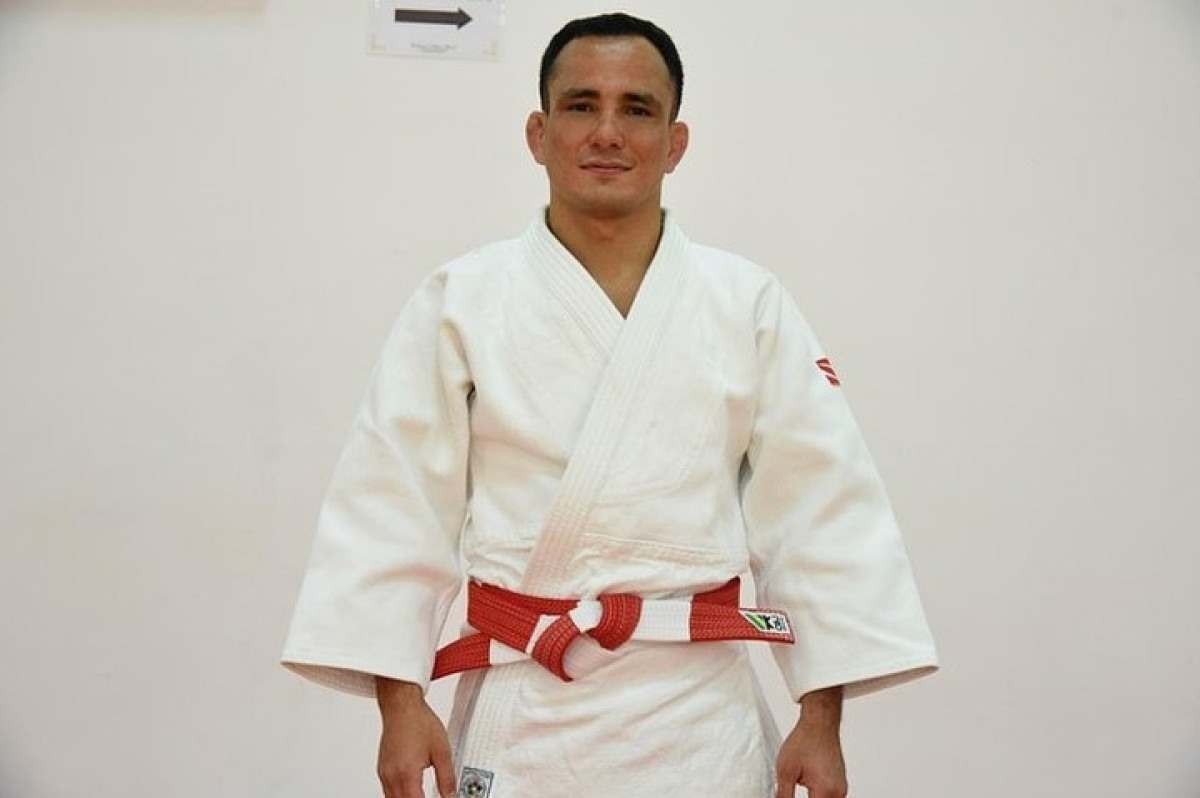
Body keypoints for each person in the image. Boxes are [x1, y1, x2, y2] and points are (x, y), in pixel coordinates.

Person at [280, 12, 939, 798]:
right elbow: (392, 504)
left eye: (637, 109)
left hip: (698, 717)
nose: (607, 133)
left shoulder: (747, 303)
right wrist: (400, 703)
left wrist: (820, 718)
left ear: (675, 142)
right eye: (581, 105)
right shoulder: (462, 299)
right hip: (525, 703)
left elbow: (821, 512)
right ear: (538, 132)